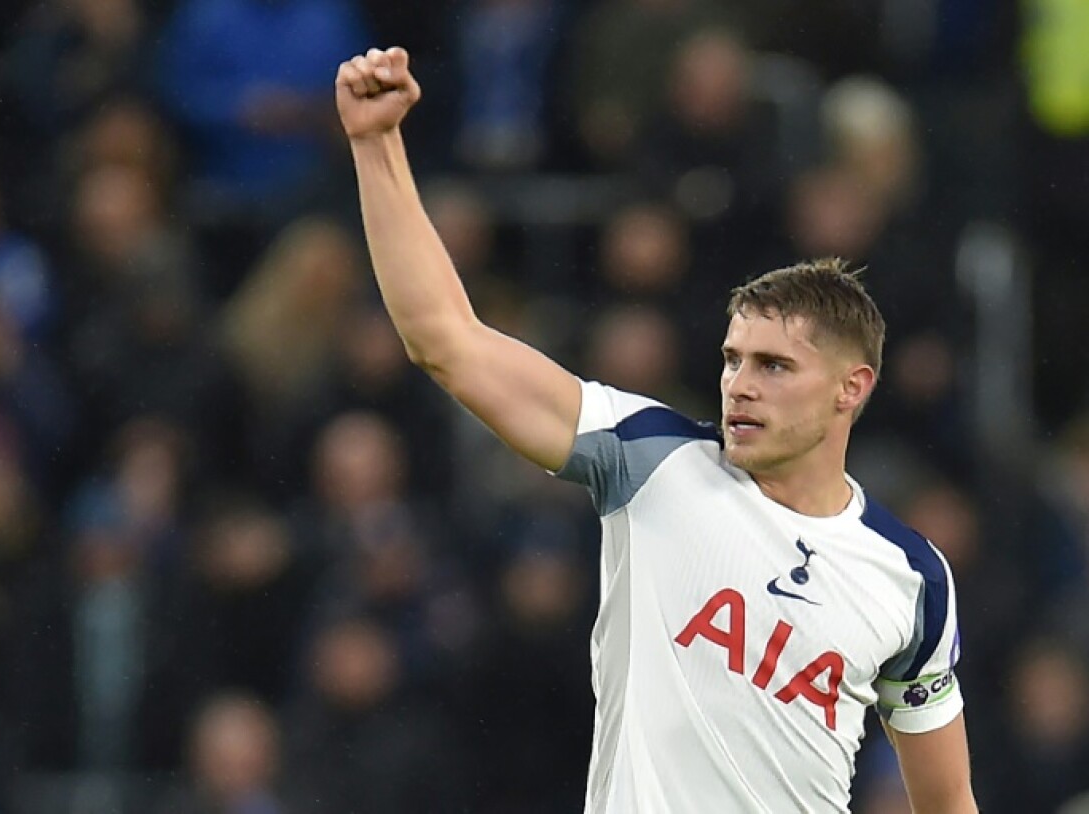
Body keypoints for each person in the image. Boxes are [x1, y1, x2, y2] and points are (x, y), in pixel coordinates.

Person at [334, 46, 977, 813]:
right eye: (733, 359)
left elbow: (948, 804)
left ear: (852, 389)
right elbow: (445, 340)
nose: (739, 384)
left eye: (773, 366)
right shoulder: (650, 457)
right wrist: (377, 144)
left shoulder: (911, 577)